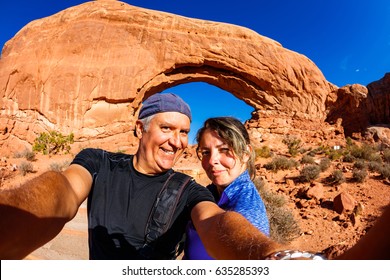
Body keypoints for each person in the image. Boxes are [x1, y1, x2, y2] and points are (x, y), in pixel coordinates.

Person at [0, 93, 283, 260]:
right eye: (167, 128)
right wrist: (11, 219)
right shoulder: (99, 162)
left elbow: (215, 222)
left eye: (184, 132)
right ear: (140, 129)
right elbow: (64, 190)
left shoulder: (189, 189)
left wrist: (271, 256)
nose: (177, 141)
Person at [184, 117, 270, 259]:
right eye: (205, 152)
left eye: (224, 149)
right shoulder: (212, 191)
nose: (212, 161)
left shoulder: (248, 209)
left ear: (246, 153)